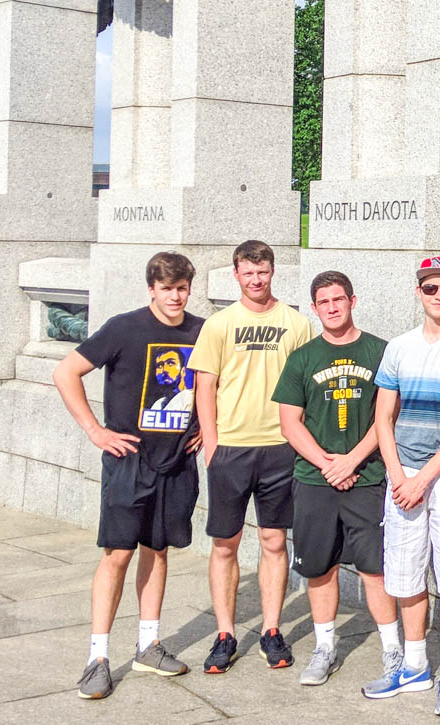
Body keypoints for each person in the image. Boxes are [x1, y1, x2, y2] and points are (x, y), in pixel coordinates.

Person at [54, 252, 204, 699]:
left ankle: (148, 644)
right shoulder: (124, 327)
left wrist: (205, 430)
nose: (174, 296)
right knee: (117, 554)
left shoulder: (201, 331)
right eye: (166, 289)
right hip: (129, 459)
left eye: (181, 288)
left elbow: (221, 384)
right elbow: (66, 372)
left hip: (176, 460)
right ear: (151, 289)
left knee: (157, 551)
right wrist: (95, 430)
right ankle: (97, 657)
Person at [188, 240, 313, 673]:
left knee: (274, 541)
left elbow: (304, 387)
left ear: (272, 272)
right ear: (236, 275)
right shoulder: (219, 324)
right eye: (248, 273)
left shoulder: (296, 323)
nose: (256, 280)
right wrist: (211, 442)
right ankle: (225, 634)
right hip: (232, 448)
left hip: (280, 447)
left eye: (263, 272)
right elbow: (205, 385)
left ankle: (272, 629)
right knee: (225, 544)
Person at [366, 257, 440, 714]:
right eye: (431, 288)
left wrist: (424, 478)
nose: (439, 295)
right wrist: (399, 476)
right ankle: (414, 663)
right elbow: (383, 416)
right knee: (404, 569)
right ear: (418, 291)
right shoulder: (398, 347)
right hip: (403, 478)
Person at [271, 271, 399, 687]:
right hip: (314, 479)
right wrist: (328, 464)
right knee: (319, 567)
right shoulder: (303, 357)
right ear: (314, 307)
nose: (332, 307)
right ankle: (325, 647)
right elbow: (290, 422)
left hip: (366, 477)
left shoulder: (379, 351)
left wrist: (352, 461)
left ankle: (392, 649)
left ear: (352, 300)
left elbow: (388, 416)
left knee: (375, 568)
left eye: (338, 299)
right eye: (323, 302)